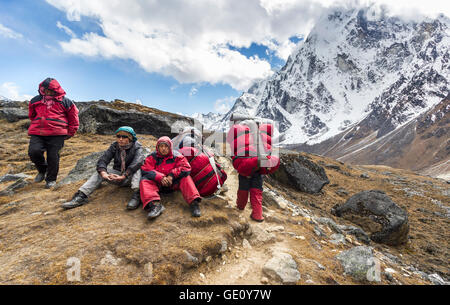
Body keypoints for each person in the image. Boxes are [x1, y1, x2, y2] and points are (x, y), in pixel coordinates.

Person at [61, 126, 145, 210]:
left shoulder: (137, 147)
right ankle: (81, 196)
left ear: (130, 138)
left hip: (130, 177)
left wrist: (124, 176)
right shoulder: (115, 146)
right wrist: (103, 173)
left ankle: (136, 195)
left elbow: (137, 162)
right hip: (119, 175)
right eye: (118, 136)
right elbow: (103, 160)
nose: (120, 139)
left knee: (138, 168)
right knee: (100, 171)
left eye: (124, 137)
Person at [28, 77, 79, 188]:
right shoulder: (35, 101)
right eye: (45, 89)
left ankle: (51, 180)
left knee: (53, 157)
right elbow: (31, 115)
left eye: (50, 90)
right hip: (38, 133)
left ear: (57, 90)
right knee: (33, 152)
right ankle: (42, 170)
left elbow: (73, 118)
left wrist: (71, 132)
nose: (47, 92)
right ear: (42, 89)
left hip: (57, 134)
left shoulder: (66, 101)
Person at [227, 119, 280, 222]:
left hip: (245, 164)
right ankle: (257, 215)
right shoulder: (261, 133)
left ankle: (240, 207)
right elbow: (268, 148)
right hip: (258, 166)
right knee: (256, 191)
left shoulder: (240, 131)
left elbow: (232, 143)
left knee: (243, 189)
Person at [140, 136, 202, 220]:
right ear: (157, 147)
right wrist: (160, 177)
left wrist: (171, 175)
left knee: (186, 177)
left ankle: (194, 203)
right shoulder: (152, 157)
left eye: (166, 146)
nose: (163, 149)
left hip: (173, 183)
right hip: (158, 184)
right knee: (145, 180)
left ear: (170, 147)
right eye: (161, 146)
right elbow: (146, 169)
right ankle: (155, 205)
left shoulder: (177, 156)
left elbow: (186, 168)